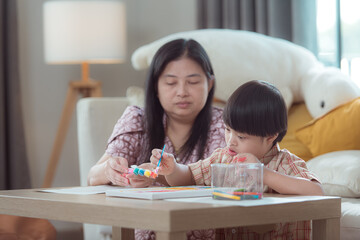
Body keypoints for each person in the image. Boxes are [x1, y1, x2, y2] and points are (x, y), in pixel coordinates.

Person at [87, 38, 226, 239]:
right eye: (171, 82)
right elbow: (93, 176)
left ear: (210, 83)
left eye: (193, 82)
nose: (182, 92)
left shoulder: (226, 126)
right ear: (155, 86)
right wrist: (112, 172)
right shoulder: (137, 120)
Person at [150, 80, 324, 239]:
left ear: (270, 136)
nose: (230, 140)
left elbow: (316, 191)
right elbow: (188, 176)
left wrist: (263, 173)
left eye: (241, 137)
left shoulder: (284, 163)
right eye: (227, 130)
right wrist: (173, 169)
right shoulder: (223, 157)